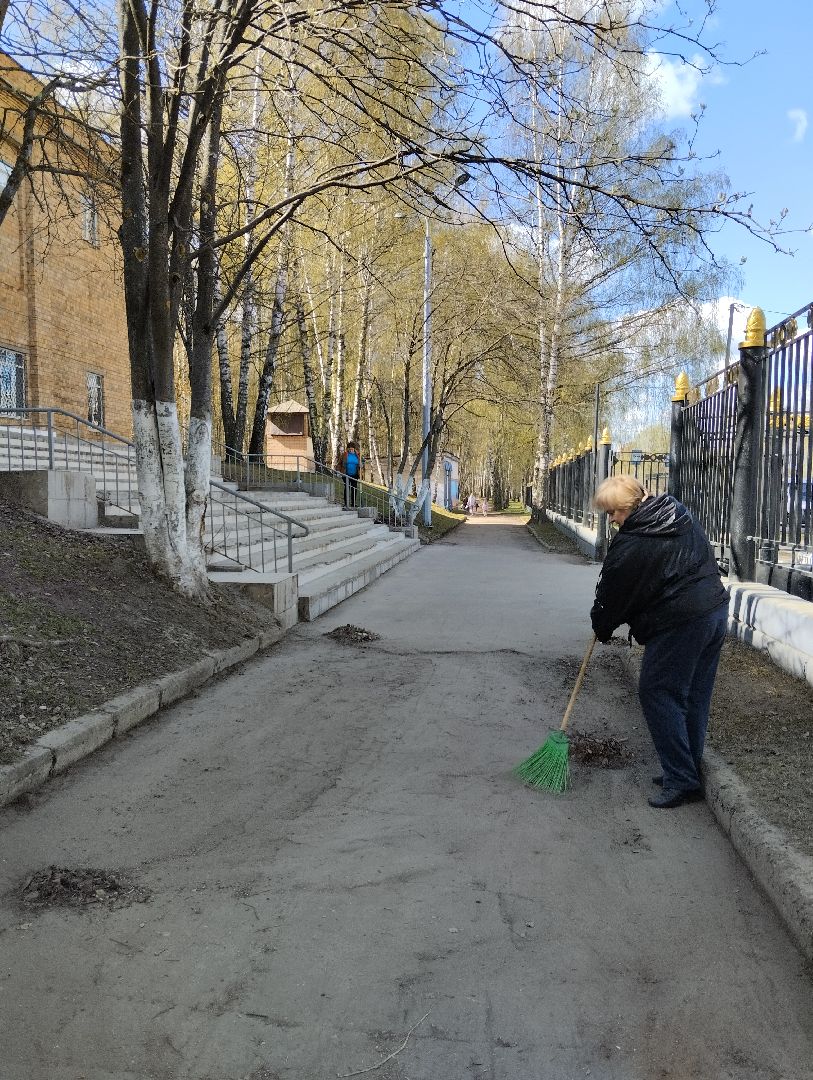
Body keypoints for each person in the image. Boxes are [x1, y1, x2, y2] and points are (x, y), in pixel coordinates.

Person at [590, 475, 728, 809]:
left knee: (657, 691)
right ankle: (686, 769)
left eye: (613, 512)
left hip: (681, 622)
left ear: (626, 507)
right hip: (714, 612)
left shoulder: (634, 541)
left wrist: (601, 624)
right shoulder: (677, 511)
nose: (611, 520)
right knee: (693, 696)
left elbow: (614, 592)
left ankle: (680, 778)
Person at [339, 440, 362, 508]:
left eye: (352, 448)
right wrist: (339, 471)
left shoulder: (358, 456)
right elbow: (339, 464)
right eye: (350, 448)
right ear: (348, 449)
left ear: (354, 449)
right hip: (346, 474)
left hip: (355, 475)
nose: (351, 450)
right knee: (347, 488)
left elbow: (361, 464)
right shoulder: (345, 455)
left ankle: (353, 503)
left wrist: (361, 465)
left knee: (354, 489)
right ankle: (346, 503)